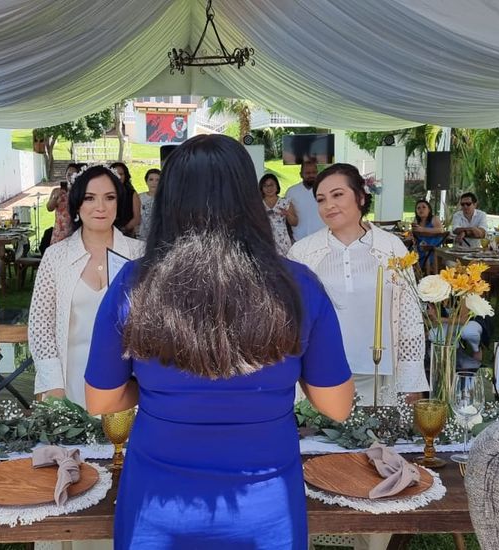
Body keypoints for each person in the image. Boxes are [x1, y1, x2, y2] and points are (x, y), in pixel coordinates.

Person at [84, 134, 353, 549]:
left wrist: (154, 388)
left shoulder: (134, 284)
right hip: (265, 508)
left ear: (170, 200)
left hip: (158, 504)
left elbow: (101, 400)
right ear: (247, 198)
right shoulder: (298, 286)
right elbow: (337, 406)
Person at [289, 163, 427, 404]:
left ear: (361, 197)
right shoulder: (303, 253)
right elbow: (292, 320)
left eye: (337, 195)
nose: (328, 205)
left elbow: (409, 317)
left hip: (380, 374)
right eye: (321, 199)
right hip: (321, 377)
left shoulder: (390, 247)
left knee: (380, 440)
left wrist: (411, 380)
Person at [28, 165, 145, 407]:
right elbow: (40, 326)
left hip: (127, 387)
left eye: (109, 198)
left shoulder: (139, 254)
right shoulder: (56, 257)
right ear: (78, 205)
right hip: (68, 381)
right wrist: (53, 386)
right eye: (90, 198)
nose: (100, 207)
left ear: (118, 203)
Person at [284, 159, 325, 241]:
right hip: (299, 238)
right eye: (307, 173)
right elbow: (288, 216)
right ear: (301, 174)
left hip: (322, 237)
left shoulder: (324, 189)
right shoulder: (291, 191)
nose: (311, 175)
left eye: (314, 172)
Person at [260, 173, 298, 255]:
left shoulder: (285, 202)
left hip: (282, 240)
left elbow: (295, 223)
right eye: (265, 186)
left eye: (271, 185)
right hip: (265, 239)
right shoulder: (258, 204)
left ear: (277, 186)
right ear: (262, 188)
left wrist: (287, 214)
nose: (269, 188)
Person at [48, 163, 78, 246]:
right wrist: (55, 197)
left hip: (74, 232)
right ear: (65, 175)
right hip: (59, 232)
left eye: (73, 174)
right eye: (68, 174)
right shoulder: (56, 191)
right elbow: (49, 208)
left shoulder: (79, 193)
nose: (70, 177)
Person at [411, 199, 446, 271]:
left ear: (429, 209)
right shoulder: (416, 220)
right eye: (418, 208)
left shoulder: (434, 219)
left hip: (432, 248)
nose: (421, 209)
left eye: (424, 207)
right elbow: (414, 233)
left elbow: (441, 230)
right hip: (419, 247)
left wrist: (422, 229)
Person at [111, 162, 141, 237]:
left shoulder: (132, 194)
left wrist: (124, 230)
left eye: (121, 174)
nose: (119, 177)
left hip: (126, 234)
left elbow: (137, 218)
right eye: (116, 174)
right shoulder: (103, 192)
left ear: (125, 175)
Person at [136, 168, 160, 241]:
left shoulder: (166, 198)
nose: (154, 183)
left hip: (159, 237)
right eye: (151, 179)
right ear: (146, 181)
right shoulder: (139, 197)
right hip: (141, 237)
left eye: (157, 180)